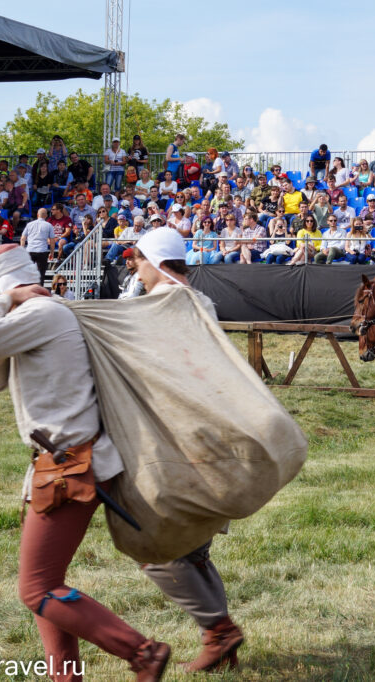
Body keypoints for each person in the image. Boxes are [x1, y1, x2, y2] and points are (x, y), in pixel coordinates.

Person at [0, 244, 172, 681]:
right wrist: (2, 304)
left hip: (71, 466)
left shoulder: (41, 314)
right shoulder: (35, 315)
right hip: (61, 463)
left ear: (3, 285)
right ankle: (65, 676)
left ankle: (142, 652)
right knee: (45, 584)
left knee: (37, 588)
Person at [129, 229, 246, 672]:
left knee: (153, 545)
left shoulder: (170, 303)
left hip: (182, 440)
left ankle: (219, 630)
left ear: (156, 262)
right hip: (199, 435)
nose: (133, 270)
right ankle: (221, 642)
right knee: (194, 551)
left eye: (137, 260)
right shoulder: (196, 301)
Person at [20, 208, 56, 284]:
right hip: (42, 251)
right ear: (46, 215)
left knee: (28, 273)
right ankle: (39, 291)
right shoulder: (49, 225)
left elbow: (23, 238)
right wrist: (51, 252)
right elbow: (52, 241)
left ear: (37, 215)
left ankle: (28, 290)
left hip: (30, 250)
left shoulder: (29, 224)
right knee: (41, 274)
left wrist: (22, 251)